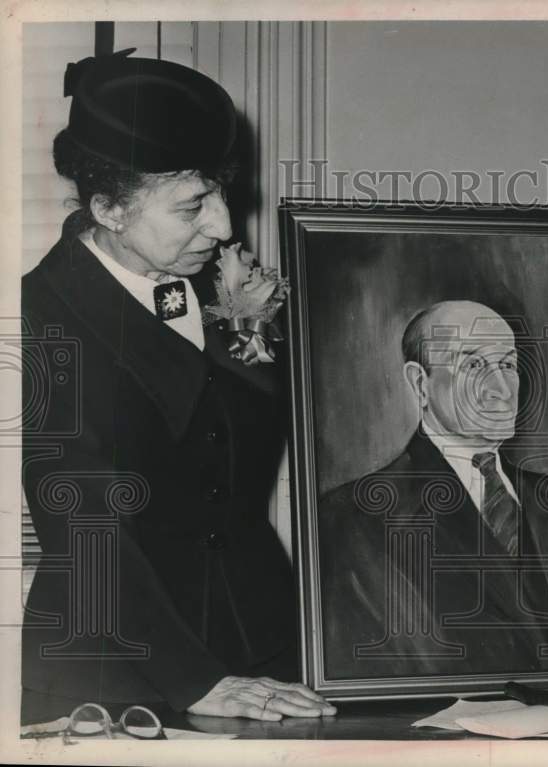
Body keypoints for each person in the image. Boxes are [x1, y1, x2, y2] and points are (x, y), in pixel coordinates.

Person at [21, 50, 335, 723]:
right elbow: (81, 525)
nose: (224, 226)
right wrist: (194, 679)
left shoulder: (226, 285)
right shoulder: (37, 317)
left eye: (222, 191)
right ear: (108, 208)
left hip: (267, 651)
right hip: (117, 672)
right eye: (193, 205)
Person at [318, 300, 548, 677]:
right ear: (420, 383)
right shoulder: (353, 517)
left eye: (508, 365)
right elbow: (368, 678)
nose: (500, 389)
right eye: (473, 365)